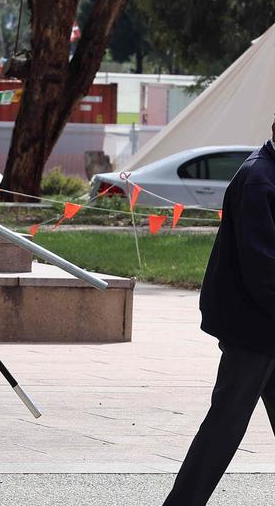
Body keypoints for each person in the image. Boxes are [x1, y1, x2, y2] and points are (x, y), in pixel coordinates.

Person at [162, 117, 275, 506]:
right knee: (224, 426)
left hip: (263, 323)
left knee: (224, 423)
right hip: (255, 328)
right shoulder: (260, 179)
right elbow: (263, 266)